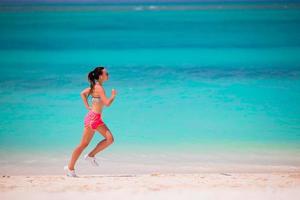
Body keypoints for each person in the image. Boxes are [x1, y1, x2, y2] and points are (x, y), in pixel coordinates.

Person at [64, 66, 117, 177]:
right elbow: (107, 103)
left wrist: (87, 106)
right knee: (83, 144)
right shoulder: (99, 88)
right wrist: (113, 96)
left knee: (109, 139)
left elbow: (82, 93)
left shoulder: (95, 87)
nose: (108, 75)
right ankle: (70, 168)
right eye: (106, 73)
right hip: (93, 119)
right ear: (101, 76)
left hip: (95, 118)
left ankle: (90, 156)